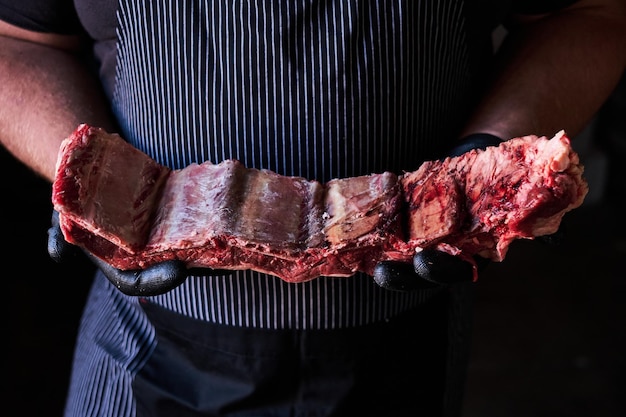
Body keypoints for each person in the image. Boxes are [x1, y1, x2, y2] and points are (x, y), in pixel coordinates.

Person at [1, 1, 625, 416]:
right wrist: (90, 180)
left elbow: (587, 13)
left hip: (402, 343)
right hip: (147, 345)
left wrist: (484, 162)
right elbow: (18, 40)